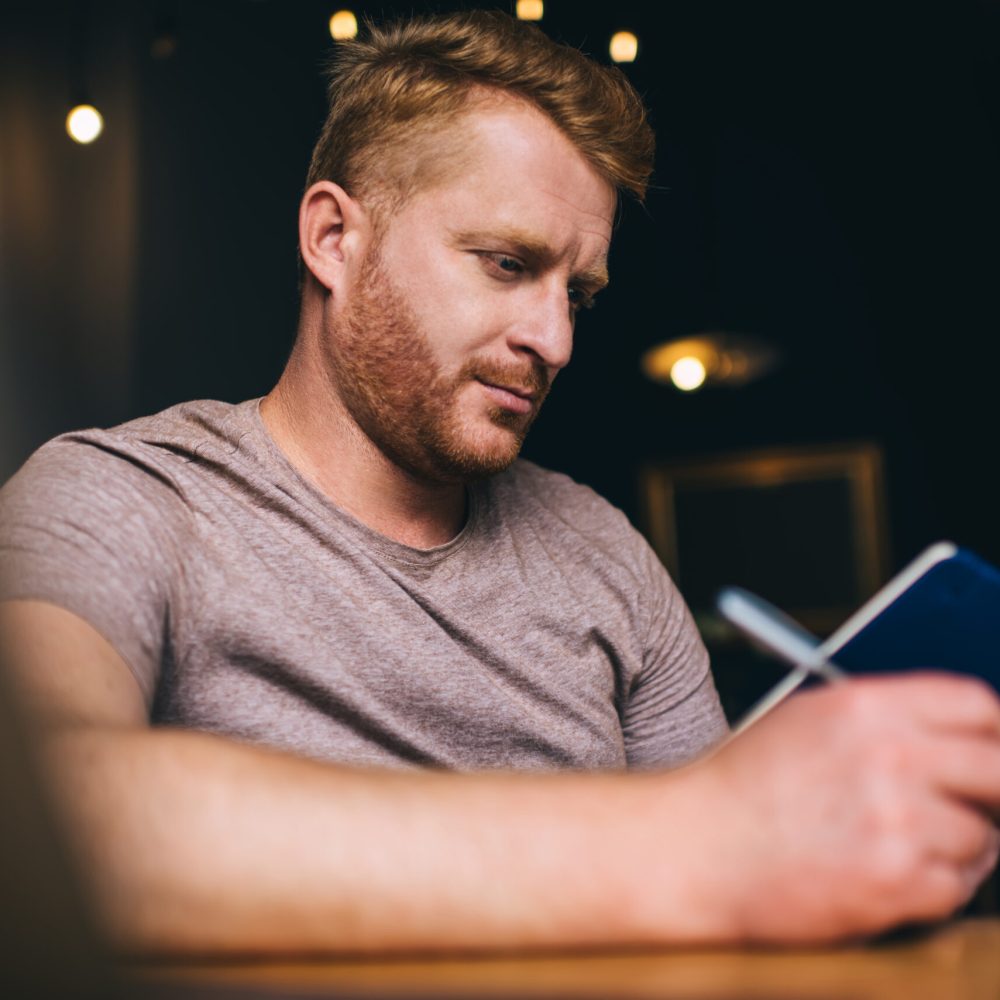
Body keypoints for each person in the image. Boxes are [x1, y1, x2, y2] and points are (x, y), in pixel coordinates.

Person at [1, 10, 998, 956]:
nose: (555, 339)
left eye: (578, 292)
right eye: (506, 263)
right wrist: (688, 843)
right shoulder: (121, 497)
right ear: (334, 240)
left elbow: (751, 893)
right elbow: (38, 816)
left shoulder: (605, 552)